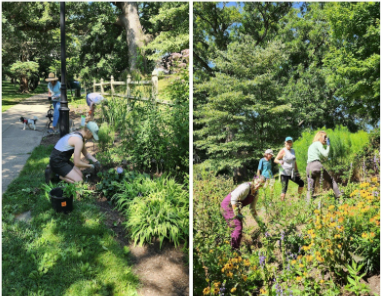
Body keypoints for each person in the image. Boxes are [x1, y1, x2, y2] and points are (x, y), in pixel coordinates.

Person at [221, 176, 266, 250]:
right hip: (228, 205)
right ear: (254, 180)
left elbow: (252, 209)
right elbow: (234, 198)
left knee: (237, 227)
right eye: (258, 182)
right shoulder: (245, 187)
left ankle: (231, 248)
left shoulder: (256, 194)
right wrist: (236, 212)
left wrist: (260, 222)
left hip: (235, 208)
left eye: (261, 185)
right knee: (237, 226)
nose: (258, 185)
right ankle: (234, 251)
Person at [306, 131, 341, 200]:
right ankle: (340, 197)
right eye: (324, 137)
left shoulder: (311, 145)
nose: (326, 139)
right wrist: (328, 145)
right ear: (319, 137)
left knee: (310, 188)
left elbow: (315, 157)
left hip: (308, 167)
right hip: (316, 165)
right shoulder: (318, 143)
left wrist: (322, 160)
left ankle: (308, 205)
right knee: (331, 180)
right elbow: (325, 154)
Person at [274, 137, 304, 201]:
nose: (289, 143)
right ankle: (282, 203)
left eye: (290, 142)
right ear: (285, 142)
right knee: (284, 189)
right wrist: (280, 161)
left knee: (301, 183)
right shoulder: (283, 150)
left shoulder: (293, 151)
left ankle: (299, 199)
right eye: (287, 142)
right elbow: (275, 159)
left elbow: (294, 161)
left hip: (292, 173)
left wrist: (297, 171)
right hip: (284, 173)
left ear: (292, 143)